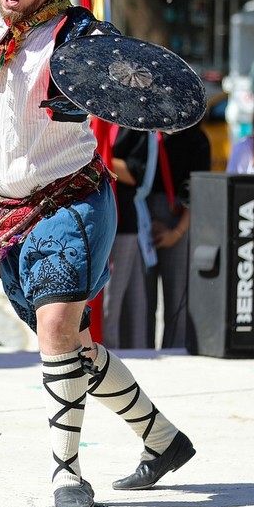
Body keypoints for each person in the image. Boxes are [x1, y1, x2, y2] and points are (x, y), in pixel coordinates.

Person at [0, 0, 193, 507]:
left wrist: (122, 84)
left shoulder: (80, 37)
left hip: (69, 203)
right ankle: (162, 439)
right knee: (71, 347)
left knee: (58, 328)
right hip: (2, 215)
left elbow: (136, 88)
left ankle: (66, 474)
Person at [147, 123, 211, 349]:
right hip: (144, 219)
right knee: (143, 303)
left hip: (180, 219)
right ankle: (143, 355)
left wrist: (178, 232)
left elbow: (200, 193)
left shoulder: (198, 139)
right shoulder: (146, 133)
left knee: (176, 302)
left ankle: (174, 353)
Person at [105, 128, 155, 349]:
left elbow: (136, 173)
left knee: (111, 306)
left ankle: (109, 364)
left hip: (124, 222)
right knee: (130, 302)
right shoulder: (94, 117)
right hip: (98, 217)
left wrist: (99, 157)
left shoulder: (135, 125)